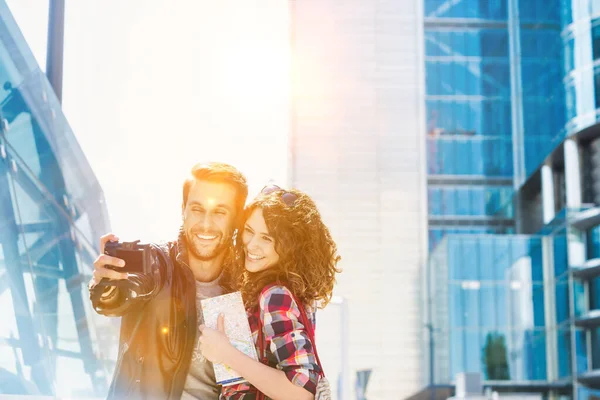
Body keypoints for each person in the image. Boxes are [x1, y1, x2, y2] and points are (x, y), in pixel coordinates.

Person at [88, 162, 248, 399]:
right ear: (183, 210)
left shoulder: (244, 287)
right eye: (197, 209)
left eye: (219, 212)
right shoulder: (156, 262)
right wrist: (108, 285)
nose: (205, 224)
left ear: (237, 219)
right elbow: (116, 296)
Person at [198, 185, 341, 399]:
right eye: (249, 231)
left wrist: (225, 354)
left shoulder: (275, 295)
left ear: (290, 246)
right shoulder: (288, 290)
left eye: (267, 238)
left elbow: (301, 392)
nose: (252, 245)